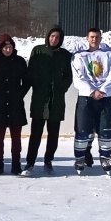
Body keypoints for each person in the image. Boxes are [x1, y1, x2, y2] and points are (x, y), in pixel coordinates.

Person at [71, 29, 111, 174]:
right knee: (83, 129)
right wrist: (92, 91)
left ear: (101, 38)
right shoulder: (79, 56)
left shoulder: (110, 55)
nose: (94, 39)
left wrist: (103, 91)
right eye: (92, 37)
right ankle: (80, 158)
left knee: (106, 129)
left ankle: (105, 158)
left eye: (97, 37)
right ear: (87, 38)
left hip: (104, 99)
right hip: (86, 98)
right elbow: (79, 78)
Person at [23, 25, 72, 176]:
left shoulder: (65, 55)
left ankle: (48, 161)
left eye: (57, 37)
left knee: (53, 135)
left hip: (56, 101)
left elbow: (68, 77)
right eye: (52, 36)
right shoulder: (38, 50)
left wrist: (61, 88)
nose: (54, 39)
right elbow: (30, 73)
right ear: (48, 36)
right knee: (35, 134)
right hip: (40, 100)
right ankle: (30, 163)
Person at [0, 34, 31, 175]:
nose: (7, 50)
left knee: (16, 138)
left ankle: (16, 165)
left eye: (10, 47)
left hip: (15, 105)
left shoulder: (19, 62)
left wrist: (19, 94)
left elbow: (27, 81)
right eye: (5, 47)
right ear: (0, 48)